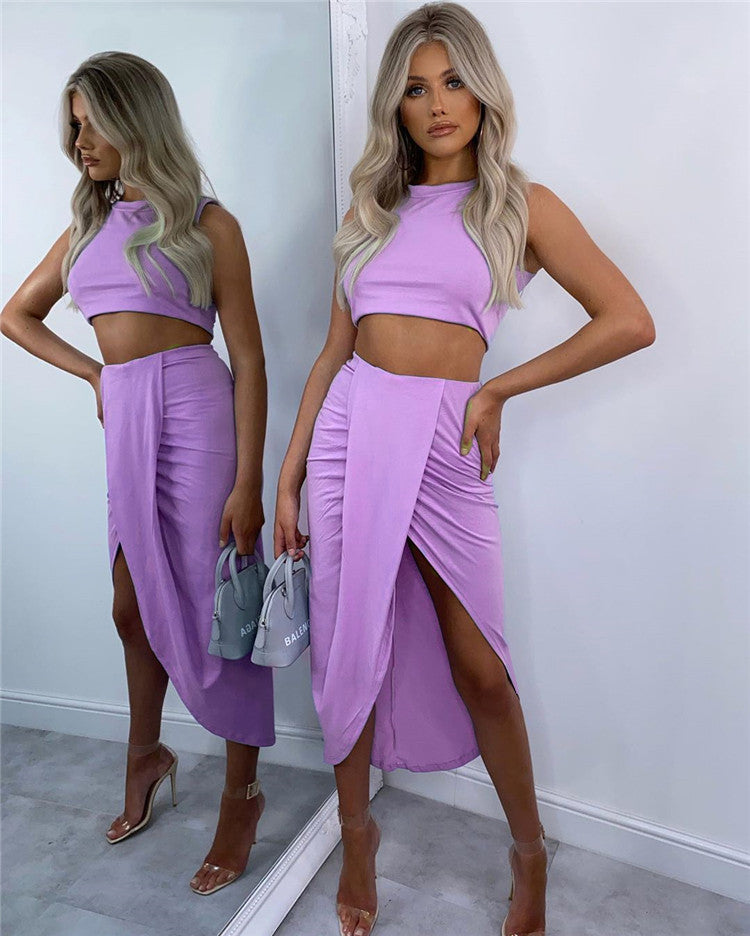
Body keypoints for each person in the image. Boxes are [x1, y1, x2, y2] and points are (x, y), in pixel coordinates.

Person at [275, 4, 656, 935]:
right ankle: (356, 835)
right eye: (414, 88)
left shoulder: (521, 206)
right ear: (395, 107)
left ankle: (529, 850)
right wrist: (288, 476)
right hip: (351, 431)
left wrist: (498, 391)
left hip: (446, 441)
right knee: (347, 645)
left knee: (481, 667)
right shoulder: (369, 213)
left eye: (452, 82)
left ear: (483, 91)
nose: (437, 104)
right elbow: (332, 354)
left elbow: (628, 320)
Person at [0, 51, 275, 897]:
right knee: (130, 605)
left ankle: (242, 795)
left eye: (92, 123)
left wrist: (249, 483)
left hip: (195, 414)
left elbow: (249, 357)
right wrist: (94, 375)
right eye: (72, 125)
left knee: (220, 606)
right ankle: (147, 754)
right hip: (125, 417)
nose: (79, 140)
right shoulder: (86, 227)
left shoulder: (209, 224)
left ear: (137, 119)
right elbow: (16, 314)